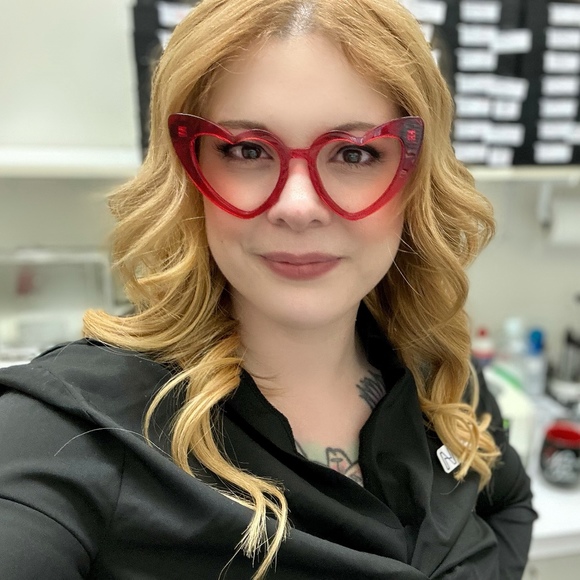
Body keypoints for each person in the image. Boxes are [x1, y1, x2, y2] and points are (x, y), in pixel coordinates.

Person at [0, 0, 537, 578]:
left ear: (415, 180)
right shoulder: (70, 432)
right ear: (188, 174)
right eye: (247, 151)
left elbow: (509, 504)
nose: (298, 207)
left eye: (354, 153)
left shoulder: (442, 376)